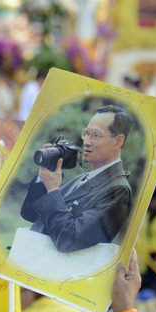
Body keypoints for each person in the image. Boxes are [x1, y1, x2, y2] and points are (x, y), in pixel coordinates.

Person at [21, 105, 133, 252]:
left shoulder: (118, 190)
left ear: (118, 142)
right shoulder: (83, 178)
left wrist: (53, 190)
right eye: (86, 133)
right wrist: (44, 179)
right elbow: (30, 213)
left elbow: (70, 240)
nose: (86, 141)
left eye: (96, 135)